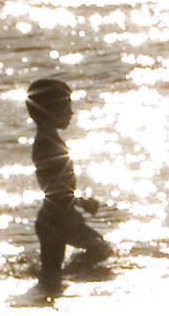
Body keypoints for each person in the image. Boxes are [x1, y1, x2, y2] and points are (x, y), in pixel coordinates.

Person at [25, 77, 113, 290]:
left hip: (50, 217)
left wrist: (78, 202)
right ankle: (75, 275)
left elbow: (55, 188)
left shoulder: (48, 140)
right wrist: (80, 203)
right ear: (49, 111)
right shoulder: (48, 144)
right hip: (59, 218)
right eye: (66, 107)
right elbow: (55, 189)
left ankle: (47, 291)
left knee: (51, 277)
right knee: (101, 249)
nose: (71, 113)